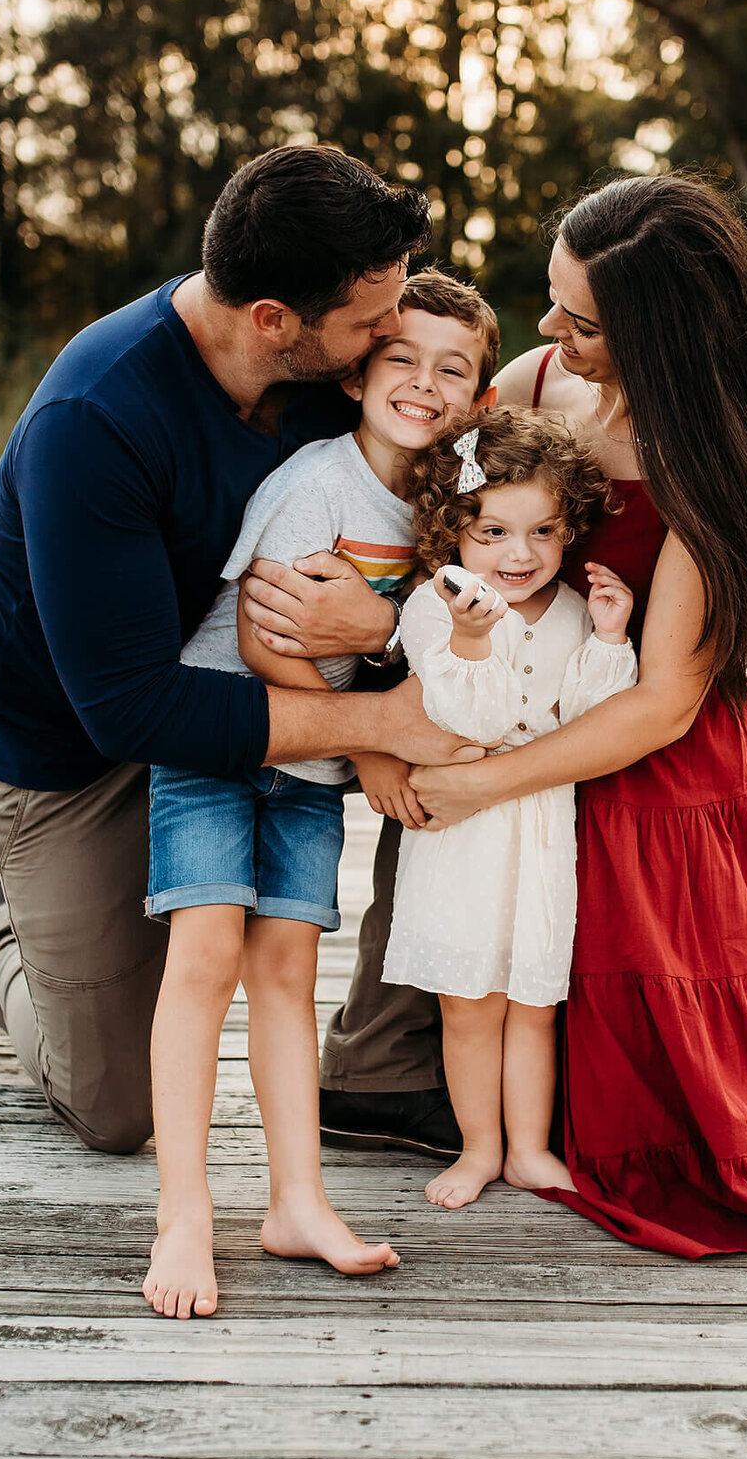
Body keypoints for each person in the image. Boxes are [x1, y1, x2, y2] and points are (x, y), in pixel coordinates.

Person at [339, 171, 747, 1280]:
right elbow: (423, 507)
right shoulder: (537, 381)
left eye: (583, 319)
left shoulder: (713, 457)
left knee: (676, 1094)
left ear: (660, 336)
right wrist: (369, 687)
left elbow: (661, 703)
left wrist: (476, 784)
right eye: (554, 299)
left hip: (654, 770)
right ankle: (423, 1084)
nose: (552, 329)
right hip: (526, 716)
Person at [0, 147, 482, 1156]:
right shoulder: (93, 421)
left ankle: (380, 1063)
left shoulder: (338, 377)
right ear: (273, 320)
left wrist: (389, 635)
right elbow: (132, 711)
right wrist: (380, 722)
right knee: (115, 1108)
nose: (391, 336)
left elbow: (484, 495)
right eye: (370, 321)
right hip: (74, 750)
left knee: (475, 750)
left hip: (252, 694)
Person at [141, 270, 498, 1317]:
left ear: (477, 398)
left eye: (453, 370)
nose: (424, 384)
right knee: (205, 958)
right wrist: (375, 750)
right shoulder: (317, 483)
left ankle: (297, 1200)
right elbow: (260, 634)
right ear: (356, 376)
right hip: (220, 736)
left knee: (289, 973)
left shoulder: (442, 511)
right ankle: (184, 1213)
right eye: (401, 359)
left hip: (306, 772)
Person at [379, 408, 637, 1210]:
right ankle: (478, 1149)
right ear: (453, 530)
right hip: (465, 833)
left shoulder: (567, 606)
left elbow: (595, 716)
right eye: (491, 532)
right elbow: (475, 721)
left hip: (541, 833)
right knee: (468, 1006)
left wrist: (606, 638)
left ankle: (528, 1148)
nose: (518, 555)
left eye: (543, 531)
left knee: (532, 1002)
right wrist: (469, 637)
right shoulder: (433, 609)